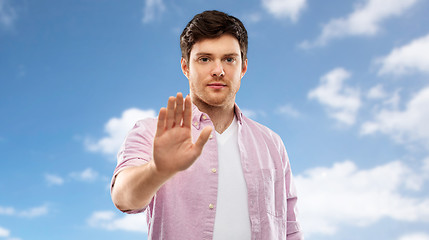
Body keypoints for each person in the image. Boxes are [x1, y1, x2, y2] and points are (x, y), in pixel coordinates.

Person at [110, 10, 303, 240]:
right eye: (204, 59)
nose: (218, 70)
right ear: (185, 67)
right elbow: (123, 198)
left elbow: (290, 228)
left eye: (229, 59)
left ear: (243, 68)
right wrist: (157, 171)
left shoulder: (272, 143)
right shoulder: (151, 132)